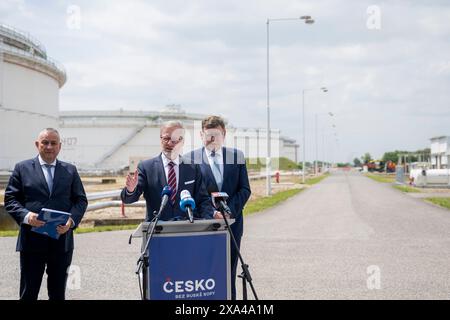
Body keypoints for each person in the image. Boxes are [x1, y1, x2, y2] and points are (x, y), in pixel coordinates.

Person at [4, 128, 88, 300]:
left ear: (59, 146)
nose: (49, 146)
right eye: (45, 142)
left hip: (61, 241)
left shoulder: (70, 170)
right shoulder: (22, 168)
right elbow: (11, 199)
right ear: (37, 144)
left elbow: (80, 200)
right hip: (32, 241)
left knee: (58, 293)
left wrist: (71, 221)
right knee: (29, 292)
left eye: (53, 143)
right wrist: (27, 216)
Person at [186, 116, 251, 300]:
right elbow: (190, 193)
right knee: (204, 271)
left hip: (233, 224)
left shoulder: (236, 157)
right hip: (204, 225)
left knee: (229, 271)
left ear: (224, 134)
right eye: (209, 135)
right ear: (201, 135)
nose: (212, 139)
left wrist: (228, 211)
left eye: (217, 135)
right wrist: (211, 213)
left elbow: (245, 189)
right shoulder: (189, 159)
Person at [121, 121, 214, 221]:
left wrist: (207, 222)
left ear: (182, 141)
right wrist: (130, 190)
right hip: (156, 230)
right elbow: (129, 199)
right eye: (166, 138)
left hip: (188, 229)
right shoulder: (146, 168)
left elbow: (203, 200)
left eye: (174, 140)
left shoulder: (192, 168)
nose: (170, 143)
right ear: (160, 139)